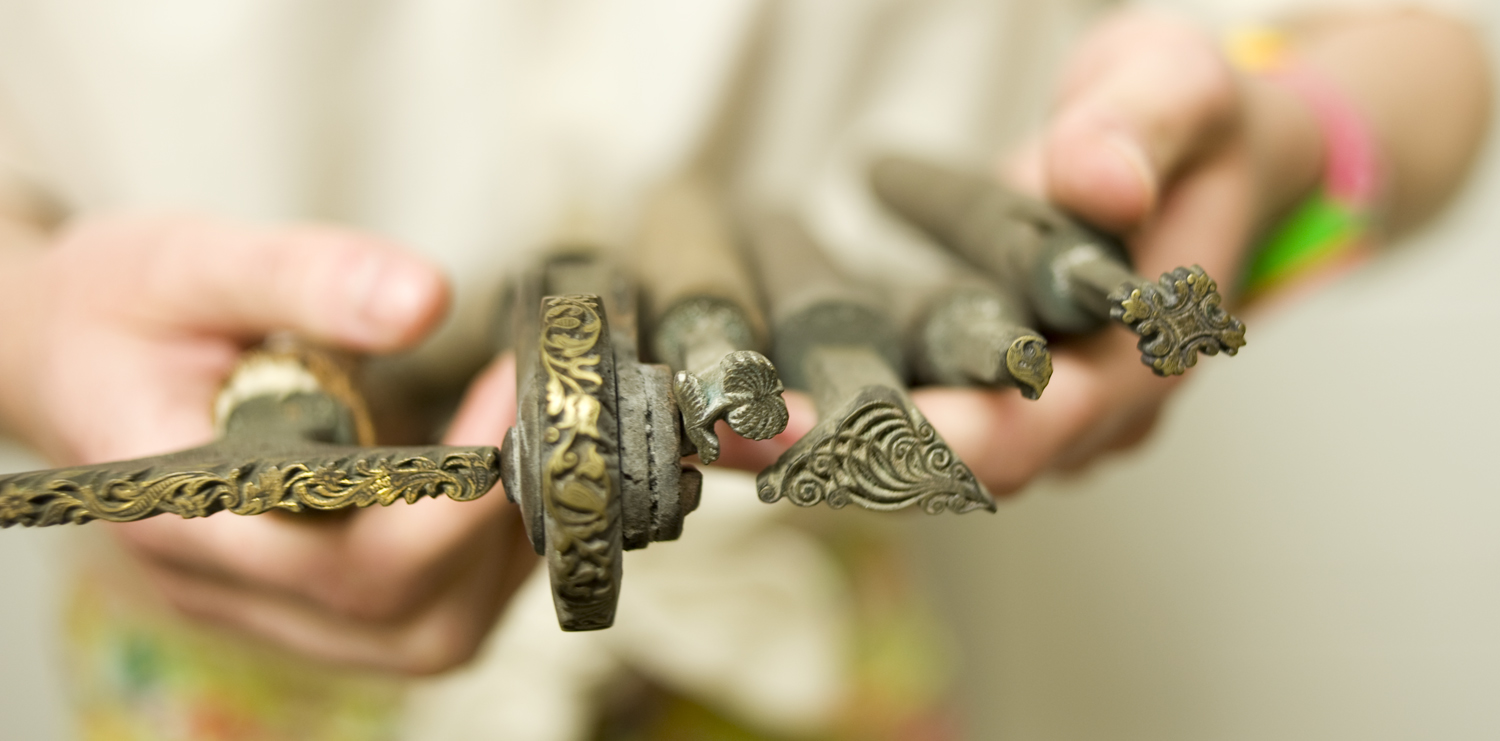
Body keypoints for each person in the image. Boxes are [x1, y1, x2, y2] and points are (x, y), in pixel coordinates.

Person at [0, 0, 1488, 738]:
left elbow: (1426, 52)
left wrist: (1291, 140)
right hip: (215, 691)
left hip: (827, 666)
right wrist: (28, 319)